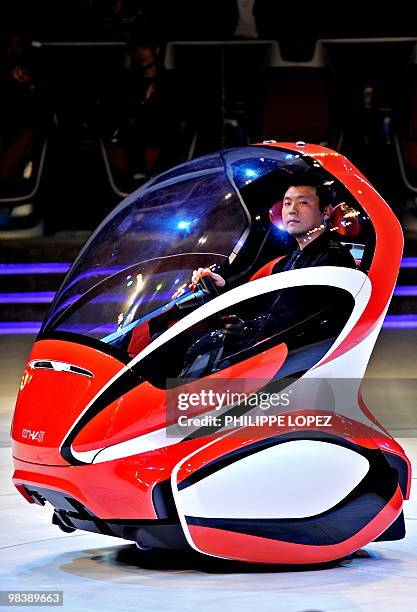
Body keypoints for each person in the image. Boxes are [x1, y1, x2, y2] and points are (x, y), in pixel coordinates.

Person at [188, 181, 357, 338]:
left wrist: (249, 328)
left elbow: (305, 322)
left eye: (303, 202)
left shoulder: (334, 260)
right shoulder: (288, 261)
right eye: (287, 203)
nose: (292, 210)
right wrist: (222, 286)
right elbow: (263, 304)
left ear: (326, 212)